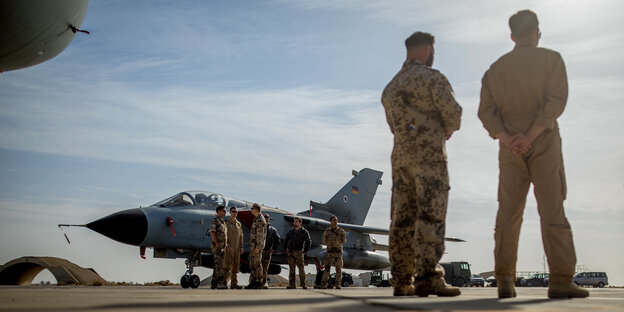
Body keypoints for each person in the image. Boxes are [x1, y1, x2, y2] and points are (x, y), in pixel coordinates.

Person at [478, 9, 588, 299]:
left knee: (508, 214)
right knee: (552, 209)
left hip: (509, 148)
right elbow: (556, 100)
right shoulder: (551, 60)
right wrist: (532, 134)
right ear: (537, 31)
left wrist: (507, 138)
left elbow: (486, 112)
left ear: (511, 35)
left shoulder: (495, 69)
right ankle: (561, 280)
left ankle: (504, 279)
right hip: (544, 144)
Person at [381, 31, 462, 297]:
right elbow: (454, 114)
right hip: (429, 157)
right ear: (427, 50)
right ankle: (427, 277)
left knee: (402, 219)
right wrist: (442, 129)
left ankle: (402, 281)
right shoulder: (432, 78)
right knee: (431, 214)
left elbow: (394, 126)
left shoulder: (391, 88)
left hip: (401, 159)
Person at [284, 216, 311, 289]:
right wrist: (286, 249)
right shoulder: (291, 231)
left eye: (296, 222)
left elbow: (308, 241)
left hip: (299, 252)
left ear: (300, 223)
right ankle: (292, 285)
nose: (295, 223)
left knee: (301, 269)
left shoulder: (304, 231)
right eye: (294, 221)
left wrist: (304, 251)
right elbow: (286, 240)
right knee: (292, 269)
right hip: (291, 252)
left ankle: (303, 284)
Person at [320, 216, 346, 289]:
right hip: (329, 251)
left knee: (338, 268)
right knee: (327, 268)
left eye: (336, 220)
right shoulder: (327, 231)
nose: (335, 222)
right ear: (330, 221)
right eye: (334, 220)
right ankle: (324, 284)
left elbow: (343, 241)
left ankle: (338, 284)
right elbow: (324, 240)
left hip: (338, 251)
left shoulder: (341, 231)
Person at [245, 203, 267, 289]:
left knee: (257, 264)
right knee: (252, 264)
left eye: (252, 208)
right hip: (253, 246)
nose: (251, 210)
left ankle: (259, 282)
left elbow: (260, 235)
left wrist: (258, 247)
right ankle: (253, 282)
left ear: (256, 209)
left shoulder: (260, 220)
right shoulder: (256, 219)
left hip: (257, 247)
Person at [224, 206, 244, 289]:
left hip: (237, 249)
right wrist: (227, 246)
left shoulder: (239, 224)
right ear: (230, 212)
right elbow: (224, 236)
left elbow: (241, 236)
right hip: (229, 248)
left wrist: (242, 247)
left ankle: (234, 284)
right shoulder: (226, 223)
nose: (235, 213)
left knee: (235, 268)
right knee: (227, 266)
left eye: (236, 212)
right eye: (233, 211)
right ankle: (224, 283)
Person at [209, 205, 228, 289]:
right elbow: (212, 232)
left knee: (217, 265)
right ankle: (220, 283)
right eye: (224, 211)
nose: (225, 212)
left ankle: (214, 283)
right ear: (219, 211)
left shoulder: (223, 222)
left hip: (222, 247)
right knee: (219, 265)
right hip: (217, 247)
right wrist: (216, 243)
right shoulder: (215, 221)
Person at [261, 213, 281, 289]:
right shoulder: (259, 227)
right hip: (260, 251)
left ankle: (263, 283)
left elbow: (277, 239)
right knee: (257, 267)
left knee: (265, 268)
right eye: (265, 217)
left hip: (267, 251)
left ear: (269, 219)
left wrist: (274, 248)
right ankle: (255, 282)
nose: (266, 218)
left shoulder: (272, 230)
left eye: (267, 217)